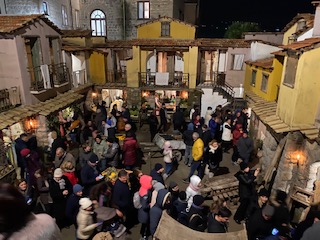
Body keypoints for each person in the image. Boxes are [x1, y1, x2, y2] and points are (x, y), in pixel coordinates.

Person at [138, 175, 153, 240]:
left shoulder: (142, 188)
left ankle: (142, 233)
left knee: (144, 225)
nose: (151, 182)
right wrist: (150, 204)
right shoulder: (145, 194)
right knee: (145, 225)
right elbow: (144, 206)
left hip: (142, 212)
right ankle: (144, 237)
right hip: (144, 213)